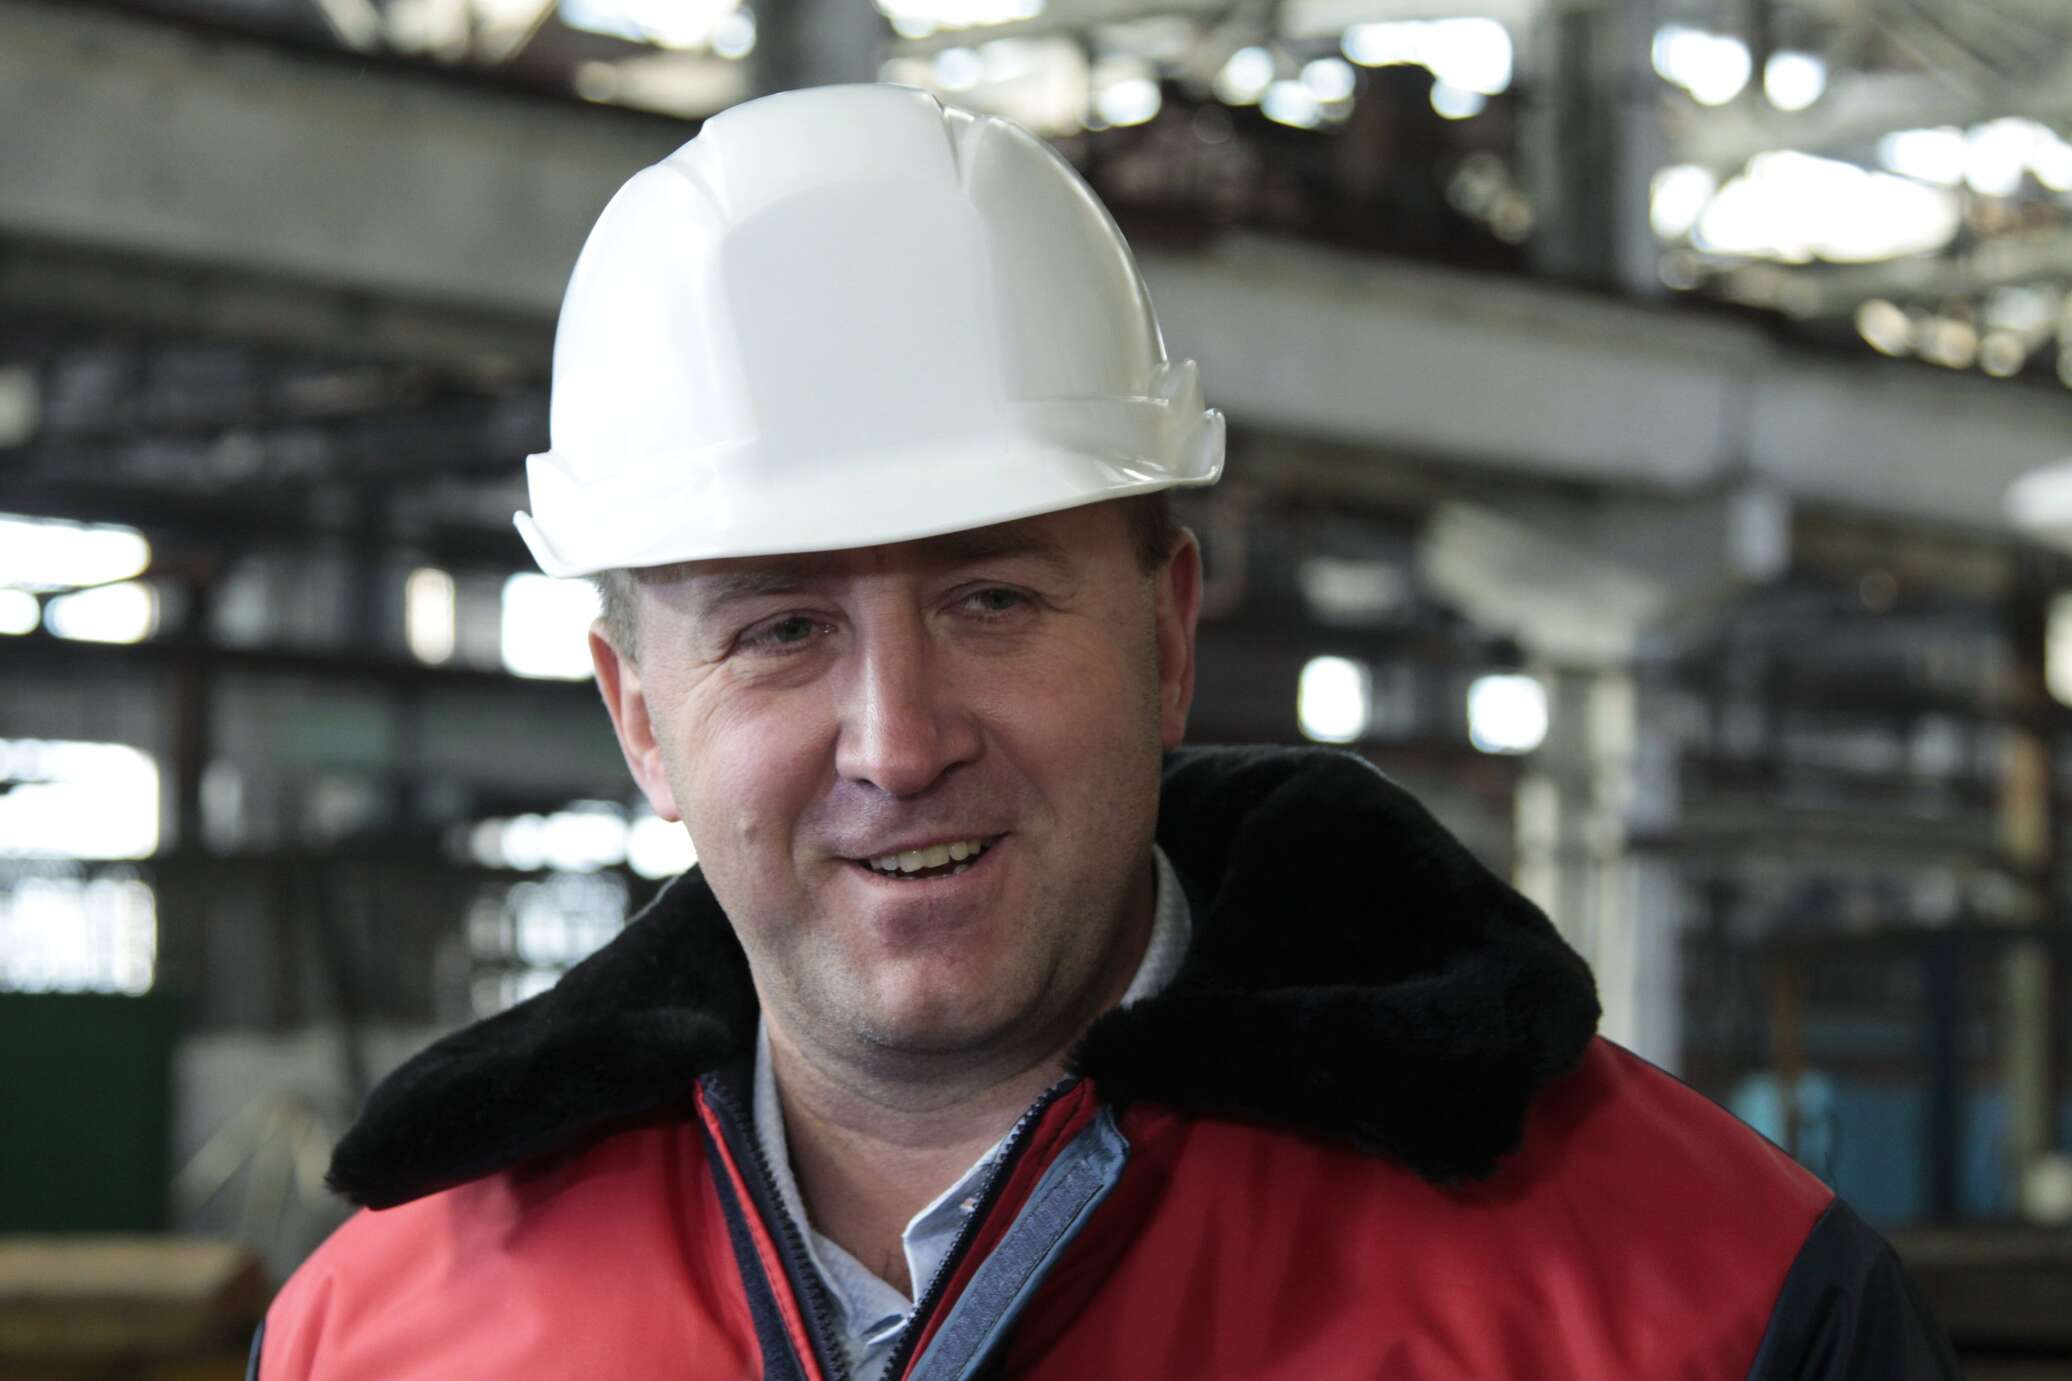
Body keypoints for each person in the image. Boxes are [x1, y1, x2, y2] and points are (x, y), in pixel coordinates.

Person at [253, 84, 1958, 1380]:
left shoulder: (1705, 1302)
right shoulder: (375, 1335)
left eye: (991, 597)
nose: (898, 740)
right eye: (780, 630)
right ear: (639, 717)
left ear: (1165, 633)